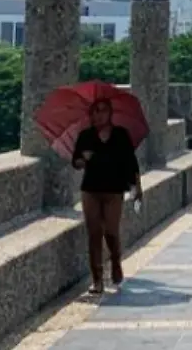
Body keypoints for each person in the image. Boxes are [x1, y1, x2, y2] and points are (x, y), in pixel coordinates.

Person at [70, 98, 143, 296]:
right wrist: (82, 161)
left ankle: (116, 261)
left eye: (101, 110)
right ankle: (97, 279)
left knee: (111, 231)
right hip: (91, 189)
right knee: (94, 233)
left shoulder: (121, 135)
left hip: (114, 190)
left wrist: (138, 187)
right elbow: (75, 161)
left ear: (110, 113)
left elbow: (131, 162)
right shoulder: (86, 136)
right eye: (94, 111)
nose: (97, 115)